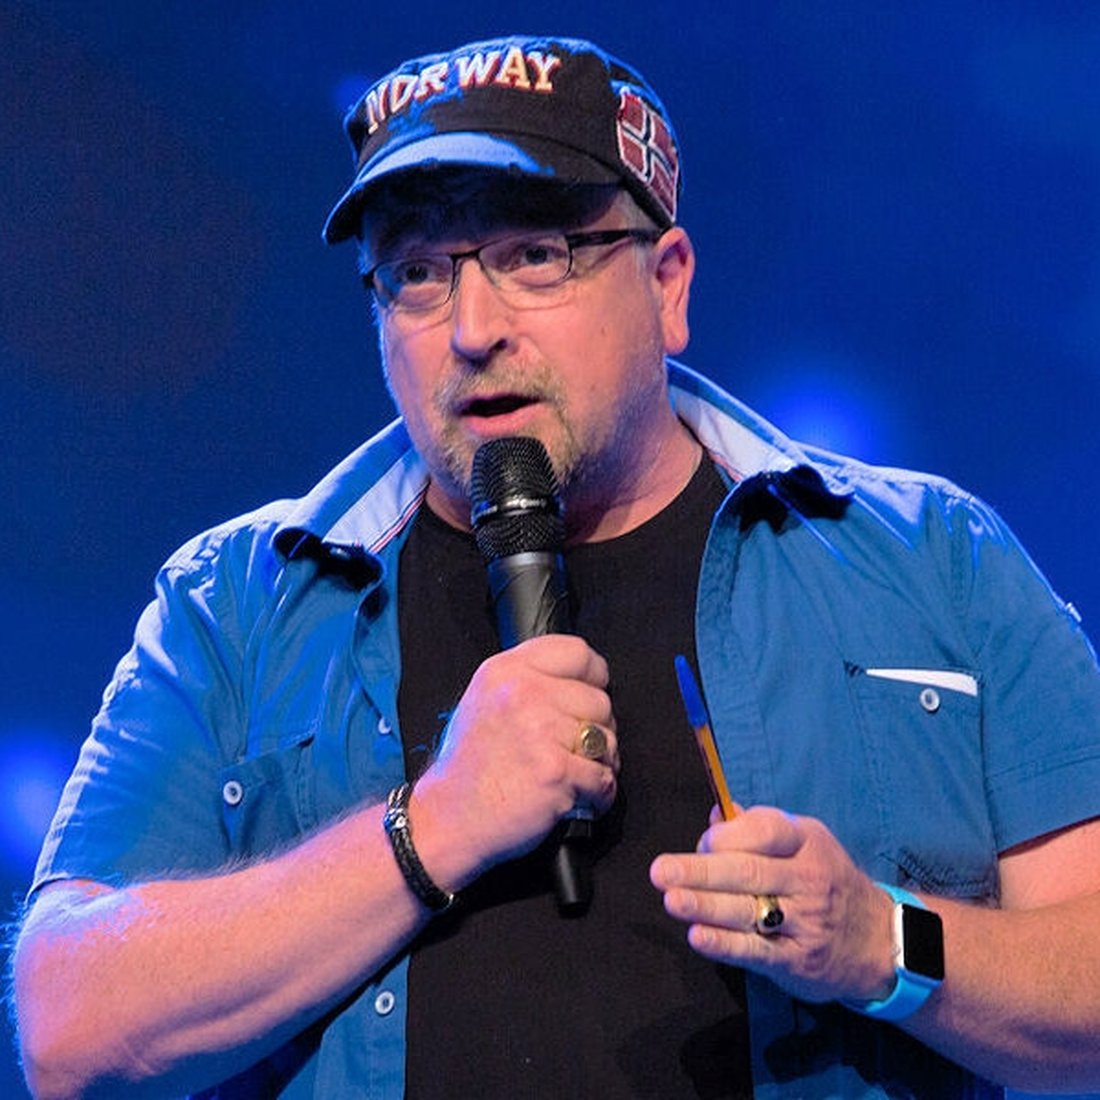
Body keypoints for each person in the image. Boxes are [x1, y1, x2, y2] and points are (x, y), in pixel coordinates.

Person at [12, 33, 1100, 1100]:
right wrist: (431, 828)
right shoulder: (237, 603)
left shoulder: (928, 557)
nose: (472, 328)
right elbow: (67, 1029)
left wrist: (881, 941)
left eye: (535, 256)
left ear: (667, 284)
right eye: (418, 274)